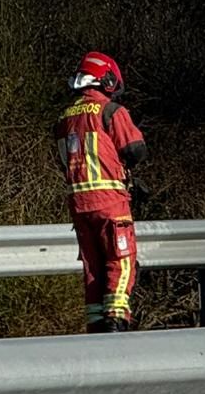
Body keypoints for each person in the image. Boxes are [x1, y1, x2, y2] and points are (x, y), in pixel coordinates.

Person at [54, 51, 147, 332]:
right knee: (122, 262)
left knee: (93, 269)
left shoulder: (64, 118)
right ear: (106, 79)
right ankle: (116, 321)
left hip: (79, 206)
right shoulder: (110, 111)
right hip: (110, 202)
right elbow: (135, 149)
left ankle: (96, 328)